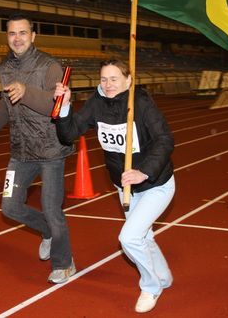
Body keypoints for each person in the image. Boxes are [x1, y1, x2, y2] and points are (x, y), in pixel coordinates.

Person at [53, 59, 175, 313]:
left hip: (156, 183)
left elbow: (164, 139)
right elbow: (68, 134)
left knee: (129, 238)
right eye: (104, 79)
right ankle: (163, 276)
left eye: (114, 79)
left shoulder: (140, 102)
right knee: (143, 236)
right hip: (124, 186)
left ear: (128, 80)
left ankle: (151, 287)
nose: (108, 84)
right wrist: (64, 107)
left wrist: (144, 172)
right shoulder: (96, 103)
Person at [0, 13, 76, 284]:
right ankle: (48, 231)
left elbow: (56, 106)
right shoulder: (5, 68)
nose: (17, 38)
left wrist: (26, 90)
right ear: (7, 38)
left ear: (33, 36)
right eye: (12, 33)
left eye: (22, 33)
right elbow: (5, 104)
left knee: (52, 209)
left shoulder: (50, 66)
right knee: (9, 207)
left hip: (50, 150)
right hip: (20, 152)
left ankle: (64, 263)